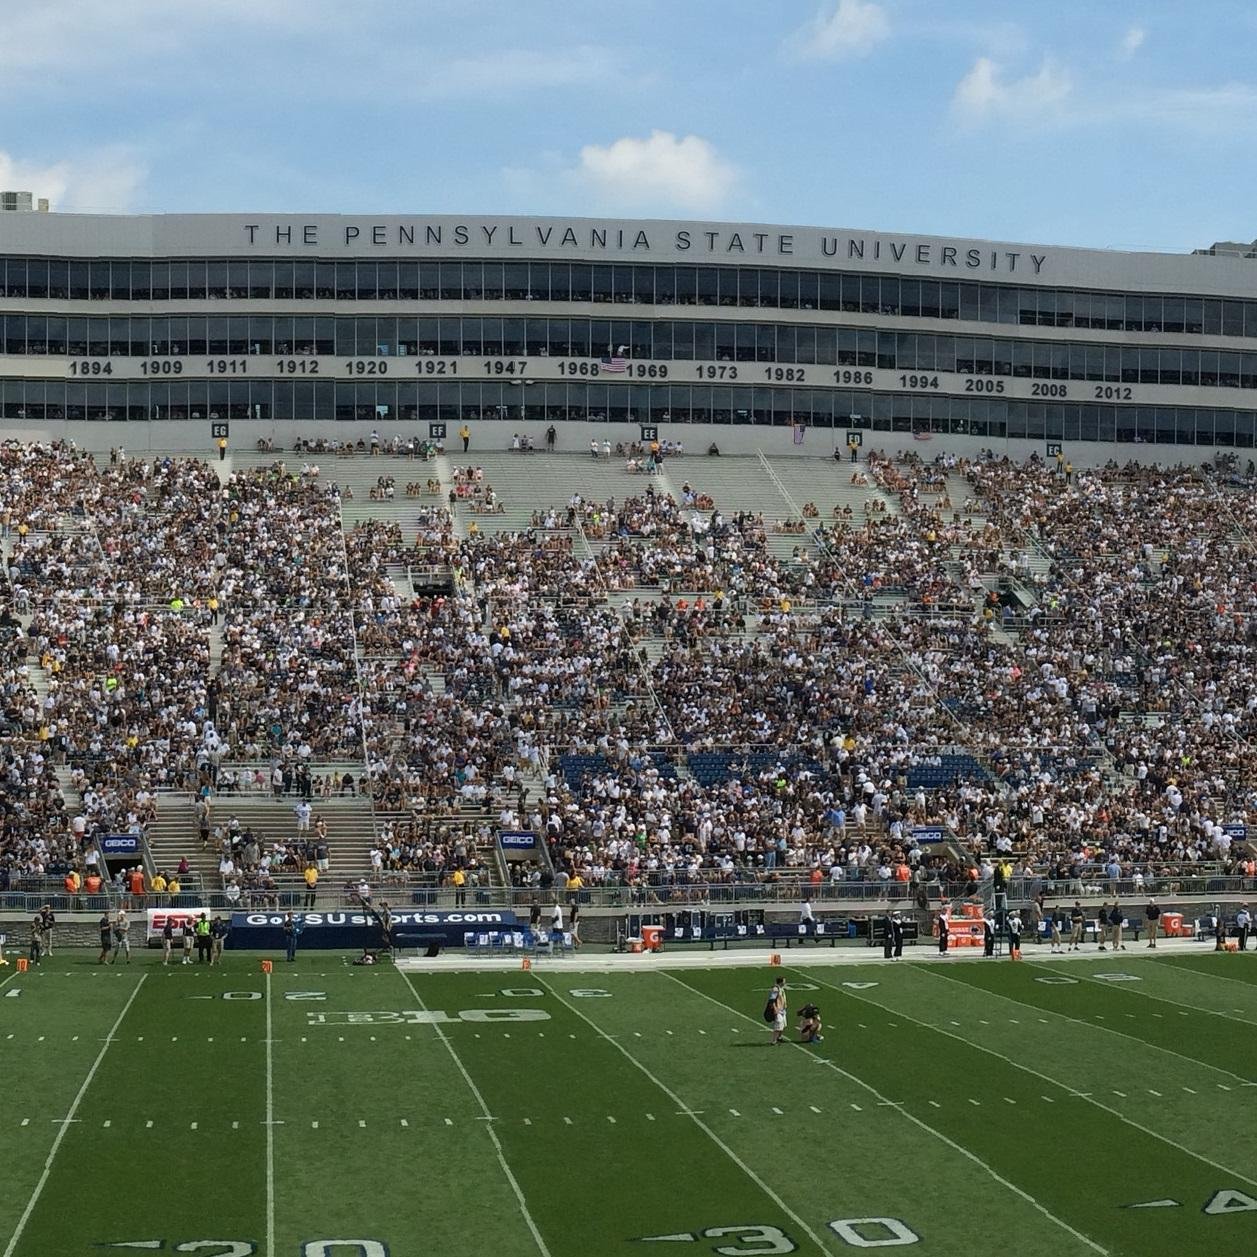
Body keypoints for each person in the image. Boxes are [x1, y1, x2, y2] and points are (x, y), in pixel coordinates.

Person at [764, 976, 787, 1045]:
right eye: (784, 981)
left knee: (783, 1024)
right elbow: (772, 1000)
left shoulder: (781, 989)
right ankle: (773, 1041)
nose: (785, 982)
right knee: (778, 1024)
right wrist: (775, 1009)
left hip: (782, 1009)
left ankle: (779, 1038)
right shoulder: (776, 989)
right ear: (781, 982)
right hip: (778, 1010)